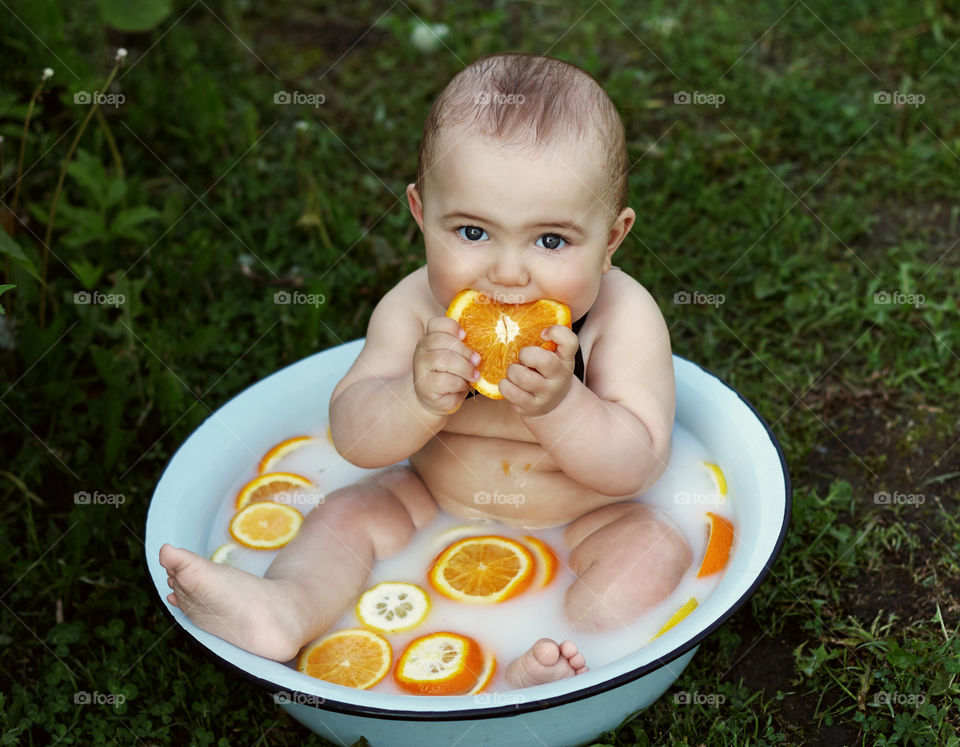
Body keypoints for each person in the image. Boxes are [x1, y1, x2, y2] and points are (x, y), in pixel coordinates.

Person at [159, 52, 691, 689]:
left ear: (612, 239)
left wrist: (561, 406)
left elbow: (637, 464)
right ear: (419, 214)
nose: (508, 272)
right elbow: (354, 440)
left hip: (587, 519)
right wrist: (413, 399)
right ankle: (284, 608)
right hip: (429, 499)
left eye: (551, 241)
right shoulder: (414, 307)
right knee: (344, 515)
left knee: (653, 550)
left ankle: (564, 656)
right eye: (472, 232)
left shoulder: (621, 317)